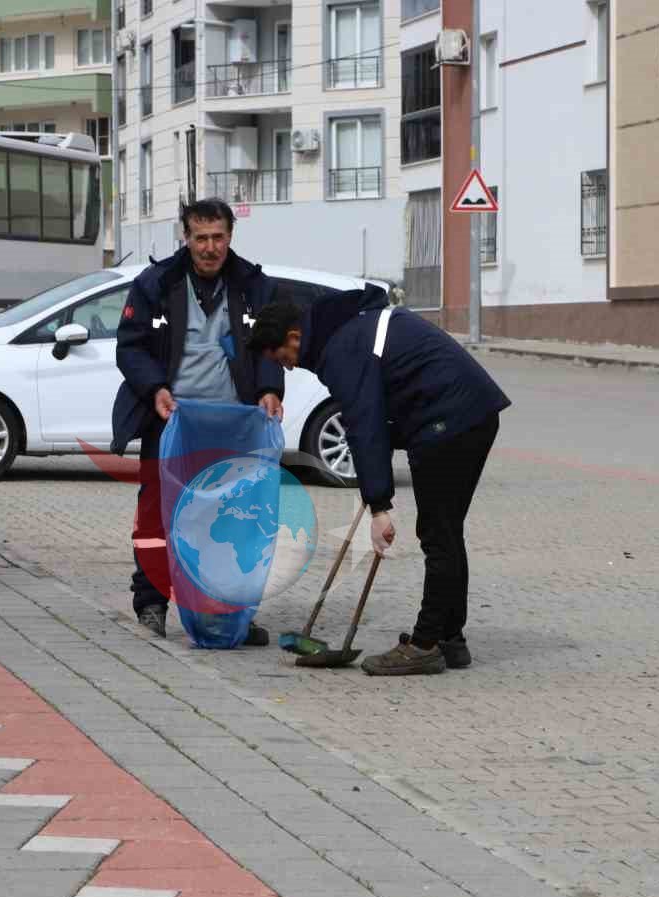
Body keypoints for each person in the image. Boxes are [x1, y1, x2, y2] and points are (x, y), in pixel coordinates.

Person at [247, 286, 510, 676]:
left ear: (294, 338)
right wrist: (377, 486)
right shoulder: (349, 330)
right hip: (468, 414)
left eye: (282, 358)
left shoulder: (341, 349)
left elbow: (364, 423)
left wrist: (380, 506)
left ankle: (427, 643)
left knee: (438, 534)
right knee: (446, 532)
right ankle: (450, 640)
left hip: (450, 420)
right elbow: (378, 415)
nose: (286, 367)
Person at [112, 198, 284, 641]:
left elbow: (270, 345)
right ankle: (151, 603)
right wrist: (155, 389)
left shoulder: (253, 285)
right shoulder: (156, 283)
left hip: (235, 425)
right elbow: (129, 347)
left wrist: (269, 389)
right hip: (172, 424)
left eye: (218, 237)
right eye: (201, 238)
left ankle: (228, 614)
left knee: (232, 520)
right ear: (185, 237)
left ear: (231, 236)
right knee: (158, 516)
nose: (210, 248)